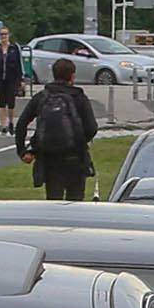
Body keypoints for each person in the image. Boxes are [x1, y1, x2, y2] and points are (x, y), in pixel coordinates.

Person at [15, 55, 99, 202]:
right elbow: (91, 128)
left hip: (49, 159)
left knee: (53, 201)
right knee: (75, 202)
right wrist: (78, 140)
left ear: (53, 75)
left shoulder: (42, 97)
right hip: (75, 158)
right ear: (72, 76)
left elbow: (21, 124)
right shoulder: (79, 98)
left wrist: (22, 151)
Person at [0, 29, 25, 134]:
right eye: (1, 34)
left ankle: (11, 122)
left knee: (11, 102)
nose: (3, 36)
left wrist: (21, 80)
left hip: (12, 79)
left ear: (9, 35)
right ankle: (3, 126)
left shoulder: (14, 48)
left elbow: (19, 65)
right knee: (1, 102)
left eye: (5, 34)